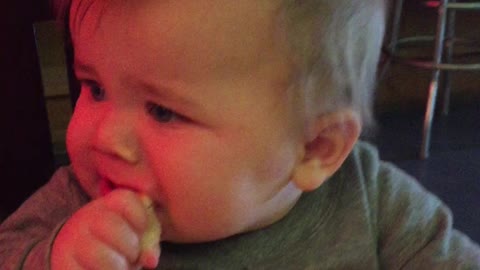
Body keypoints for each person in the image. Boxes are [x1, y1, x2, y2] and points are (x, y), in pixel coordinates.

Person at [1, 0, 479, 269]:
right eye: (95, 87)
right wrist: (55, 258)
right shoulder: (75, 207)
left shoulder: (372, 203)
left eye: (163, 112)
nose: (106, 137)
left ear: (315, 148)